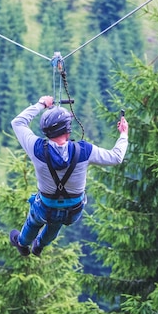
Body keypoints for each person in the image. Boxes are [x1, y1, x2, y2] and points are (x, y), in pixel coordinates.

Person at [9, 95, 128, 257]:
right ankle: (39, 245)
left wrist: (41, 104)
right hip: (73, 211)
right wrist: (123, 134)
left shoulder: (36, 148)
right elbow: (116, 157)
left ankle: (23, 244)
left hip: (45, 207)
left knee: (35, 219)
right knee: (56, 223)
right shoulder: (85, 151)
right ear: (68, 129)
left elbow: (17, 123)